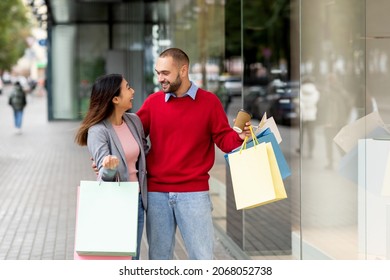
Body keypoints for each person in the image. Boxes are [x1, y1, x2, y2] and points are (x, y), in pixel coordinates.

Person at [137, 48, 251, 259]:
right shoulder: (153, 103)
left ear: (183, 70)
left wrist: (239, 138)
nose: (160, 78)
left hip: (194, 194)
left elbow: (224, 140)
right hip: (156, 194)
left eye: (165, 73)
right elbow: (133, 137)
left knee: (202, 259)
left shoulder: (209, 103)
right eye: (157, 72)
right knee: (158, 260)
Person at [75, 74, 149, 260]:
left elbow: (145, 154)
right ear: (115, 99)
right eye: (128, 87)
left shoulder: (134, 121)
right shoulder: (98, 131)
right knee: (116, 259)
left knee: (133, 258)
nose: (132, 91)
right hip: (116, 202)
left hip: (137, 201)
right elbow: (105, 175)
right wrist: (108, 168)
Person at [300, 76, 320, 159]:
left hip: (303, 115)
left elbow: (299, 102)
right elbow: (318, 102)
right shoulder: (316, 92)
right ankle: (311, 151)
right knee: (311, 134)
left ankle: (301, 149)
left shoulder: (301, 91)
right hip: (312, 115)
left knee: (302, 134)